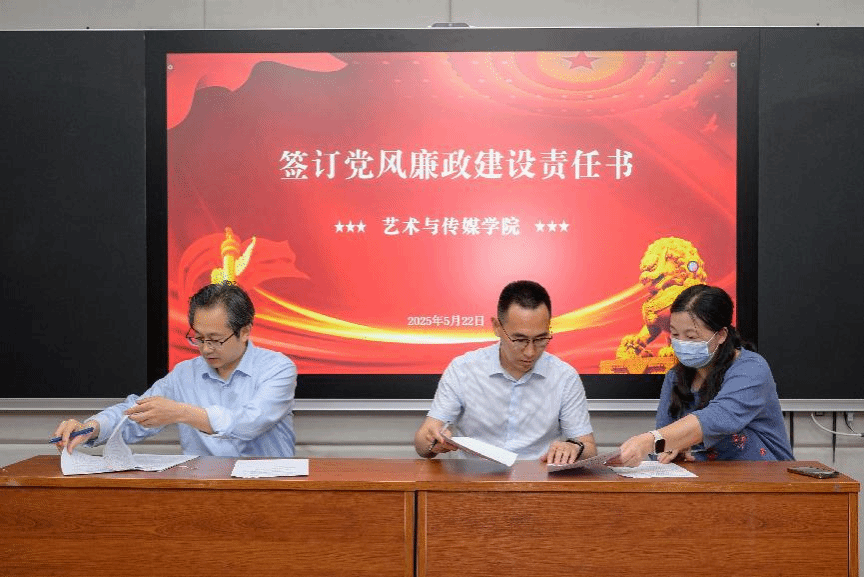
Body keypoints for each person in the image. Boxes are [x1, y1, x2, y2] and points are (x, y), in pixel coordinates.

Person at [53, 281, 298, 457]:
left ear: (244, 331)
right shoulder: (184, 374)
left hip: (268, 490)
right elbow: (136, 412)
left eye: (215, 339)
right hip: (201, 492)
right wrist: (91, 428)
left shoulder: (278, 368)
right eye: (199, 338)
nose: (206, 349)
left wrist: (181, 412)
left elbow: (250, 423)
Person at [414, 280, 597, 464]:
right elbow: (422, 444)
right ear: (497, 327)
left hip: (538, 477)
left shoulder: (564, 376)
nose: (530, 352)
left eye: (540, 339)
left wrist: (575, 447)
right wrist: (432, 442)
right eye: (520, 340)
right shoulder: (463, 370)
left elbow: (589, 448)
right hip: (474, 477)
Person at [617, 284, 793, 467]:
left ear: (721, 335)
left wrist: (649, 440)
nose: (681, 343)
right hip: (703, 482)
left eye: (691, 337)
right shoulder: (674, 377)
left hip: (767, 479)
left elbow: (719, 418)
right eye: (675, 334)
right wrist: (671, 452)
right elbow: (663, 443)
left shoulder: (752, 368)